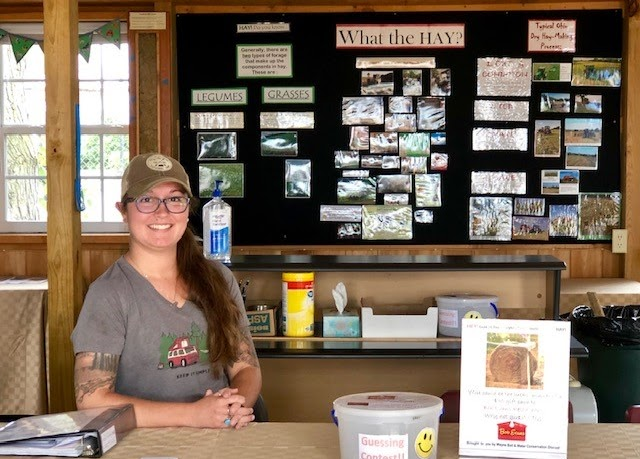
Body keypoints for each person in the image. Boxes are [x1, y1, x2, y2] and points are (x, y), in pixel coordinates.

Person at [72, 153, 261, 429]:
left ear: (187, 210)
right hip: (142, 444)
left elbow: (246, 367)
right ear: (123, 211)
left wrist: (233, 405)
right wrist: (193, 416)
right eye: (146, 200)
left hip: (220, 435)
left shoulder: (219, 278)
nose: (162, 212)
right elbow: (91, 399)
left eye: (174, 199)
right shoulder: (108, 294)